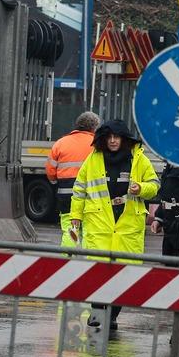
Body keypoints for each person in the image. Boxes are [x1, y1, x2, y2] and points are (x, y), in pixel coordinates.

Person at [67, 120, 159, 329]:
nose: (113, 141)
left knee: (123, 274)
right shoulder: (93, 160)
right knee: (98, 271)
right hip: (99, 224)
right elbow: (79, 189)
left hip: (127, 226)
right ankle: (98, 313)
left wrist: (141, 188)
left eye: (117, 137)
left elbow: (154, 186)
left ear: (125, 139)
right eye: (109, 137)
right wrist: (76, 216)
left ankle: (113, 316)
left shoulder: (139, 160)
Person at [48, 112, 100, 246]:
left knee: (71, 229)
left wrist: (55, 183)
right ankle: (89, 263)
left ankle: (66, 259)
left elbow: (50, 171)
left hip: (66, 194)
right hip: (91, 195)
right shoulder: (98, 144)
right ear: (94, 128)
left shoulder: (60, 143)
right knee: (90, 231)